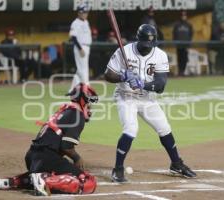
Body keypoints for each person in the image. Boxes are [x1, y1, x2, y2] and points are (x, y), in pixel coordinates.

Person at [104, 24, 196, 183]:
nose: (148, 48)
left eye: (150, 46)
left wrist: (142, 84)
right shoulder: (124, 51)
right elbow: (108, 75)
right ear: (138, 39)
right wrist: (123, 77)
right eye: (145, 45)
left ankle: (176, 164)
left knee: (164, 128)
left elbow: (160, 86)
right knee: (131, 129)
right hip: (126, 97)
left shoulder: (160, 55)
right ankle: (118, 169)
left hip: (147, 98)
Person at [0, 83, 98, 196]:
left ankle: (11, 182)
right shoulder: (77, 116)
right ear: (83, 100)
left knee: (48, 172)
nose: (90, 107)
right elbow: (66, 146)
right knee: (87, 181)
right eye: (89, 103)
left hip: (32, 157)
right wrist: (77, 158)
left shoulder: (65, 111)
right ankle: (43, 180)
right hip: (46, 158)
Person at [69, 4, 92, 88]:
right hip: (81, 47)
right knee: (83, 68)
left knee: (80, 69)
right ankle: (86, 86)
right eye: (83, 12)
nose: (85, 14)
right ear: (79, 13)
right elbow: (73, 37)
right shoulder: (75, 23)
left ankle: (72, 89)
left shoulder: (86, 21)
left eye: (86, 12)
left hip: (86, 46)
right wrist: (80, 48)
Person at [173, 11, 194, 76]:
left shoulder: (189, 25)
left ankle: (183, 71)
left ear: (186, 16)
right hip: (179, 45)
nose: (183, 17)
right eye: (182, 16)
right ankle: (180, 71)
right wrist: (175, 42)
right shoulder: (177, 25)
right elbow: (174, 34)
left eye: (184, 16)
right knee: (179, 58)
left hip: (186, 45)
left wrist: (189, 43)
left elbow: (191, 34)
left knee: (184, 59)